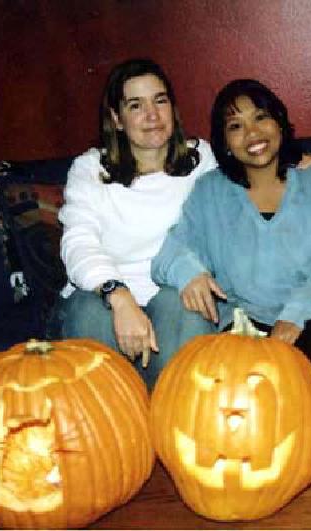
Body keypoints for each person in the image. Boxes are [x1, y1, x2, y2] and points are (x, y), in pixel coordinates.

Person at [152, 79, 311, 412]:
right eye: (236, 126)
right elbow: (169, 251)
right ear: (225, 143)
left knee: (304, 409)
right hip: (240, 325)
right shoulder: (211, 192)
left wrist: (294, 317)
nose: (252, 133)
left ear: (279, 121)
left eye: (261, 117)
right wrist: (189, 273)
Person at [51, 58, 217, 390]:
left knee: (186, 305)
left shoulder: (202, 160)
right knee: (90, 311)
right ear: (117, 119)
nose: (152, 115)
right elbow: (78, 242)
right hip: (104, 297)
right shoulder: (90, 169)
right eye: (135, 105)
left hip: (174, 297)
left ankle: (168, 423)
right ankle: (116, 429)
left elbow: (252, 176)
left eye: (160, 100)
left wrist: (298, 163)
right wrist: (119, 296)